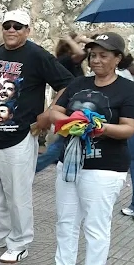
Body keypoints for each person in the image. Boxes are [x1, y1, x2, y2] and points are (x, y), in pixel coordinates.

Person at [37, 32, 134, 265]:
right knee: (66, 220)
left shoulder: (128, 90)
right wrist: (69, 120)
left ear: (117, 58)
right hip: (70, 163)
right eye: (93, 55)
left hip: (105, 168)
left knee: (95, 225)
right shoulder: (78, 83)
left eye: (103, 56)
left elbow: (128, 128)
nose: (96, 60)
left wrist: (98, 127)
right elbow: (55, 110)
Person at [0, 9, 73, 263]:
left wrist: (49, 113)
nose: (11, 30)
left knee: (17, 194)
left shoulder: (37, 55)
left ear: (28, 30)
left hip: (19, 136)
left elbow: (67, 84)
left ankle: (19, 242)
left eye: (18, 26)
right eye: (7, 26)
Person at [36, 33, 87, 173]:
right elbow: (81, 53)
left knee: (64, 140)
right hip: (72, 104)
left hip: (76, 104)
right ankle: (34, 167)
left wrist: (82, 39)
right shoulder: (66, 60)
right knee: (62, 141)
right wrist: (72, 40)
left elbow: (89, 48)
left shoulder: (71, 61)